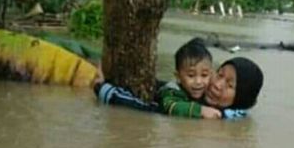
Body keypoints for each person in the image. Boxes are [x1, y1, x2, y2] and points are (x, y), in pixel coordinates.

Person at [94, 49, 264, 120]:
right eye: (219, 74)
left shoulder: (231, 117)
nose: (217, 85)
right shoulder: (180, 93)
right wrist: (102, 88)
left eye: (229, 85)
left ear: (242, 97)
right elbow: (154, 107)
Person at [157, 38, 222, 119]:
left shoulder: (209, 92)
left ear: (211, 74)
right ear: (178, 76)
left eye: (204, 75)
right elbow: (171, 107)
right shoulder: (171, 90)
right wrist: (200, 110)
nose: (198, 81)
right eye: (191, 75)